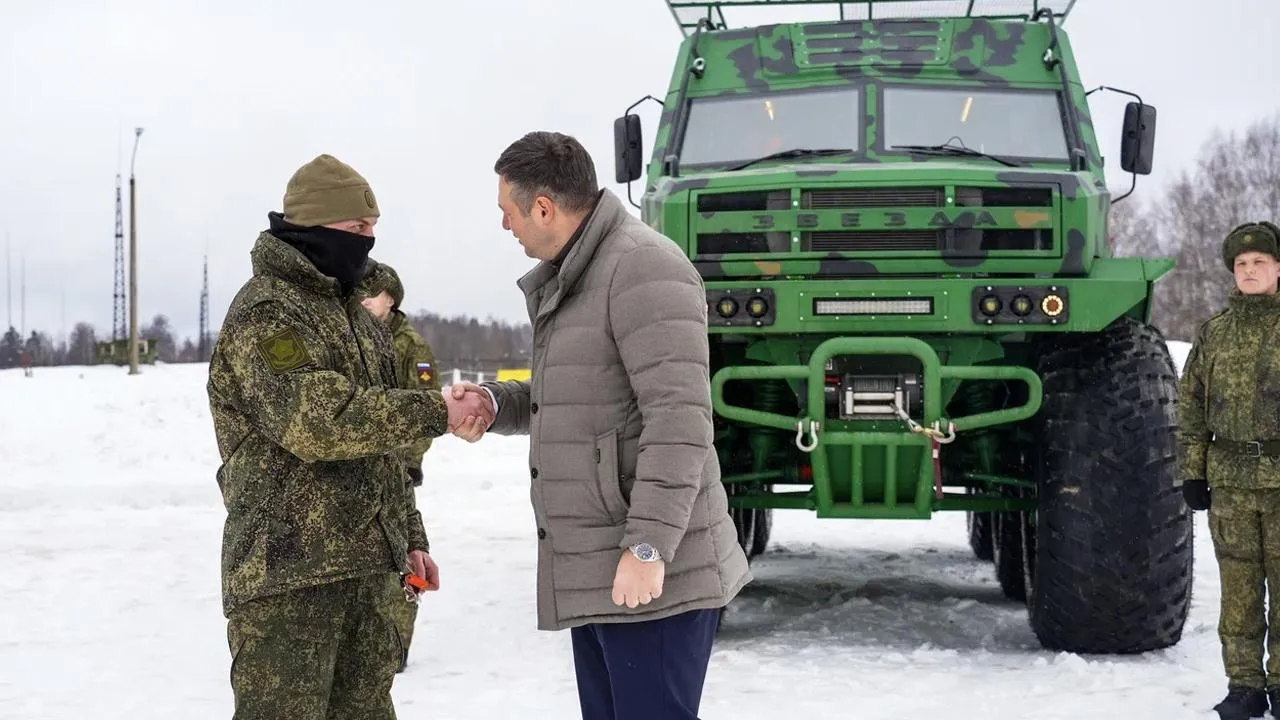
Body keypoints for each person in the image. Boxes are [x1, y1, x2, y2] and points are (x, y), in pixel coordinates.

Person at [454, 130, 752, 720]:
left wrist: (647, 546)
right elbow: (577, 395)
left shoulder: (642, 267)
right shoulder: (580, 274)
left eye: (507, 212)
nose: (506, 226)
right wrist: (495, 404)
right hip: (601, 567)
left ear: (543, 207)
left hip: (652, 576)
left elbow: (679, 421)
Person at [206, 153, 493, 719]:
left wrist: (409, 534)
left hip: (366, 570)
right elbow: (320, 422)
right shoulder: (268, 312)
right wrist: (436, 410)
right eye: (357, 229)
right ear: (313, 226)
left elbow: (382, 450)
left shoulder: (356, 319)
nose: (368, 241)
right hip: (289, 577)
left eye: (372, 229)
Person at [1178, 221, 1280, 720]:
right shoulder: (1214, 333)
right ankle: (1244, 685)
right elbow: (1192, 406)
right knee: (1239, 594)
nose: (1250, 270)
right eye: (1242, 265)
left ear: (1278, 268)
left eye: (1260, 262)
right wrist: (1192, 473)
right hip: (1232, 484)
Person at [357, 259, 442, 672]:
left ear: (392, 300)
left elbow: (427, 407)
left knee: (403, 554)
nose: (366, 301)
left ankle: (396, 644)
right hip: (367, 464)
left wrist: (411, 461)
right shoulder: (357, 337)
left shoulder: (409, 345)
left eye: (374, 294)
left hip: (398, 467)